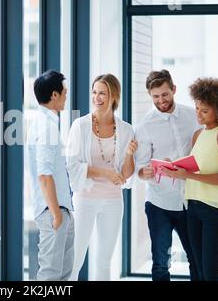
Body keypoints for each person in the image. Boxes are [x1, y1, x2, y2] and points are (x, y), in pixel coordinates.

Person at [162, 78, 218, 281]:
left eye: (204, 110)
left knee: (211, 273)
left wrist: (186, 175)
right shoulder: (198, 135)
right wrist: (173, 166)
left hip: (215, 211)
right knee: (198, 271)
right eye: (197, 109)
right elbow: (195, 166)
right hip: (193, 207)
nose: (198, 114)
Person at [66, 74, 137, 280]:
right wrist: (104, 172)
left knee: (104, 261)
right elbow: (71, 164)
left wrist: (130, 155)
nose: (97, 97)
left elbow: (125, 175)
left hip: (113, 201)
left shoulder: (126, 129)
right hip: (85, 199)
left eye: (102, 93)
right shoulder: (80, 126)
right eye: (94, 92)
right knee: (75, 259)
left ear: (113, 96)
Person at [134, 69, 200, 281]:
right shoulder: (144, 125)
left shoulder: (193, 116)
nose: (161, 100)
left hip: (190, 201)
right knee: (161, 262)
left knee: (196, 258)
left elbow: (203, 152)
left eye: (165, 94)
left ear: (174, 89)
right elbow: (140, 168)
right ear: (150, 95)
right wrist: (145, 171)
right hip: (158, 203)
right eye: (155, 96)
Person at [26, 70, 74, 281]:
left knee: (63, 274)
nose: (66, 95)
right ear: (54, 95)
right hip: (52, 211)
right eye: (64, 92)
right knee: (50, 275)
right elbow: (44, 175)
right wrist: (56, 215)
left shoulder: (48, 123)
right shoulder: (45, 127)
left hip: (60, 208)